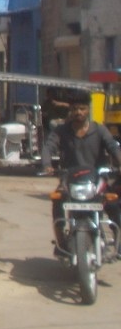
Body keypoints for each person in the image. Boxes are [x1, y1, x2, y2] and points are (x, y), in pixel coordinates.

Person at [42, 90, 121, 251]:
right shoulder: (61, 131)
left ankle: (119, 242)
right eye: (75, 108)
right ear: (70, 110)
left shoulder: (99, 130)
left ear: (88, 109)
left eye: (82, 108)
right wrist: (46, 165)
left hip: (97, 178)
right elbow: (48, 148)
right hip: (70, 179)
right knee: (57, 202)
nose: (79, 112)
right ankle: (61, 242)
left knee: (114, 205)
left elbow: (113, 147)